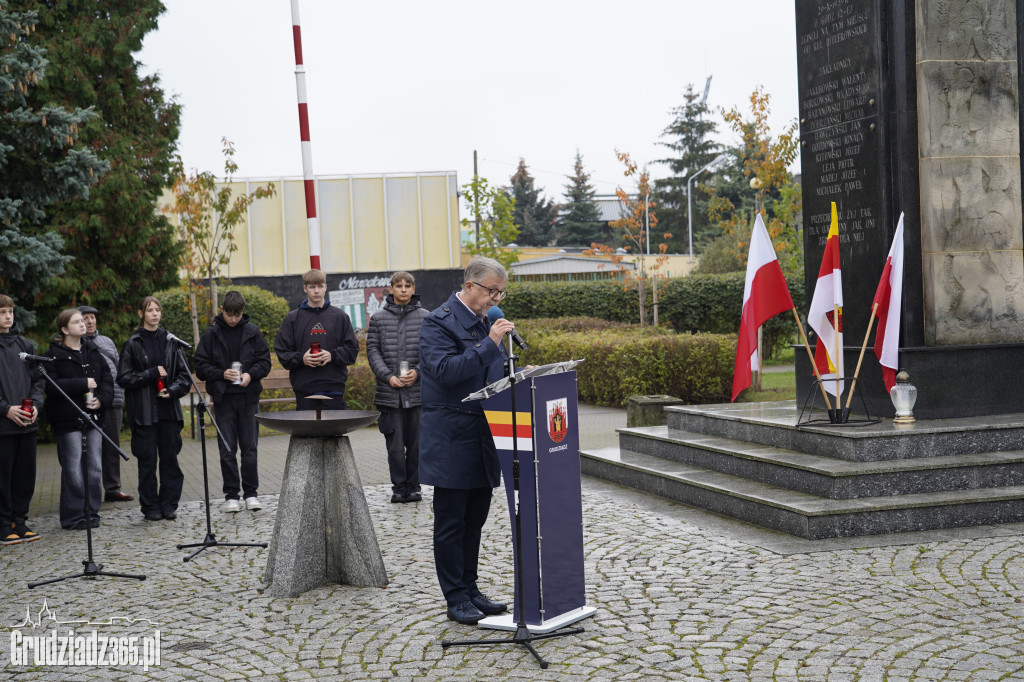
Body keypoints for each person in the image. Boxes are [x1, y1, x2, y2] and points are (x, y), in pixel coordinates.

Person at [419, 256, 517, 625]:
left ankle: (471, 588)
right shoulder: (437, 323)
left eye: (501, 292)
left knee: (475, 520)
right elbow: (445, 372)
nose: (496, 298)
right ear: (471, 286)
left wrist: (519, 374)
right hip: (450, 437)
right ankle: (455, 596)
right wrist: (490, 343)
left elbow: (492, 374)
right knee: (451, 523)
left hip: (483, 436)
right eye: (492, 291)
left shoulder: (484, 322)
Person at [194, 291, 272, 513]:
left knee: (250, 448)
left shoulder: (253, 332)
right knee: (227, 449)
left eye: (237, 315)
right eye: (230, 315)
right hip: (223, 400)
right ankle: (231, 496)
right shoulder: (211, 334)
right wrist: (221, 374)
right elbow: (200, 366)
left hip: (248, 399)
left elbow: (264, 362)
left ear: (242, 312)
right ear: (222, 311)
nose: (233, 319)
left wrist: (250, 375)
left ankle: (251, 494)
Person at [117, 296, 190, 522]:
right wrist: (150, 374)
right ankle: (150, 507)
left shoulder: (171, 341)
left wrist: (174, 390)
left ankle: (169, 504)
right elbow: (124, 378)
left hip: (168, 411)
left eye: (157, 310)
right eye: (150, 310)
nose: (155, 314)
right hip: (144, 414)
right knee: (147, 463)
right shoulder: (133, 343)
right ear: (141, 314)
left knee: (170, 461)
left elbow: (184, 377)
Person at [45, 309, 114, 530]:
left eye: (82, 320)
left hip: (94, 416)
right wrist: (82, 384)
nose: (83, 324)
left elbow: (107, 381)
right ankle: (73, 516)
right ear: (65, 329)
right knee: (73, 467)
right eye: (76, 321)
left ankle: (91, 512)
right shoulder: (54, 354)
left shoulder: (93, 350)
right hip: (67, 419)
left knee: (94, 466)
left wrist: (101, 400)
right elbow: (50, 385)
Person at [366, 271, 428, 504]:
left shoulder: (426, 317)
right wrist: (387, 376)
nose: (403, 289)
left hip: (417, 394)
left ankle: (414, 487)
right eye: (398, 285)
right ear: (390, 289)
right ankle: (398, 487)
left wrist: (419, 372)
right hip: (389, 394)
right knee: (394, 447)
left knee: (416, 446)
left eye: (407, 285)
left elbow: (432, 351)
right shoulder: (379, 318)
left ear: (413, 289)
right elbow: (372, 352)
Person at [274, 269, 359, 411]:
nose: (316, 291)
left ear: (325, 287)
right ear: (305, 288)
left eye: (320, 286)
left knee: (334, 432)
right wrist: (302, 358)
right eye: (312, 287)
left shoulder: (340, 316)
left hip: (333, 386)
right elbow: (282, 352)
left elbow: (352, 350)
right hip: (305, 388)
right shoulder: (293, 319)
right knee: (307, 433)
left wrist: (332, 355)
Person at [0, 294, 45, 544]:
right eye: (2, 312)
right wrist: (5, 409)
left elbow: (38, 379)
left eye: (10, 311)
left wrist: (36, 404)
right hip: (3, 425)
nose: (8, 316)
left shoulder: (25, 345)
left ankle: (20, 519)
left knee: (25, 473)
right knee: (3, 475)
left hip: (28, 424)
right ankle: (4, 523)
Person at [78, 305, 134, 503]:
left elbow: (119, 368)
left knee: (112, 446)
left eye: (92, 317)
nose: (90, 321)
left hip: (114, 401)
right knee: (88, 449)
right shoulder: (76, 344)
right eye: (85, 318)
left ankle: (113, 488)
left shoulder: (107, 341)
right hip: (89, 403)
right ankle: (87, 491)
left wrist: (120, 393)